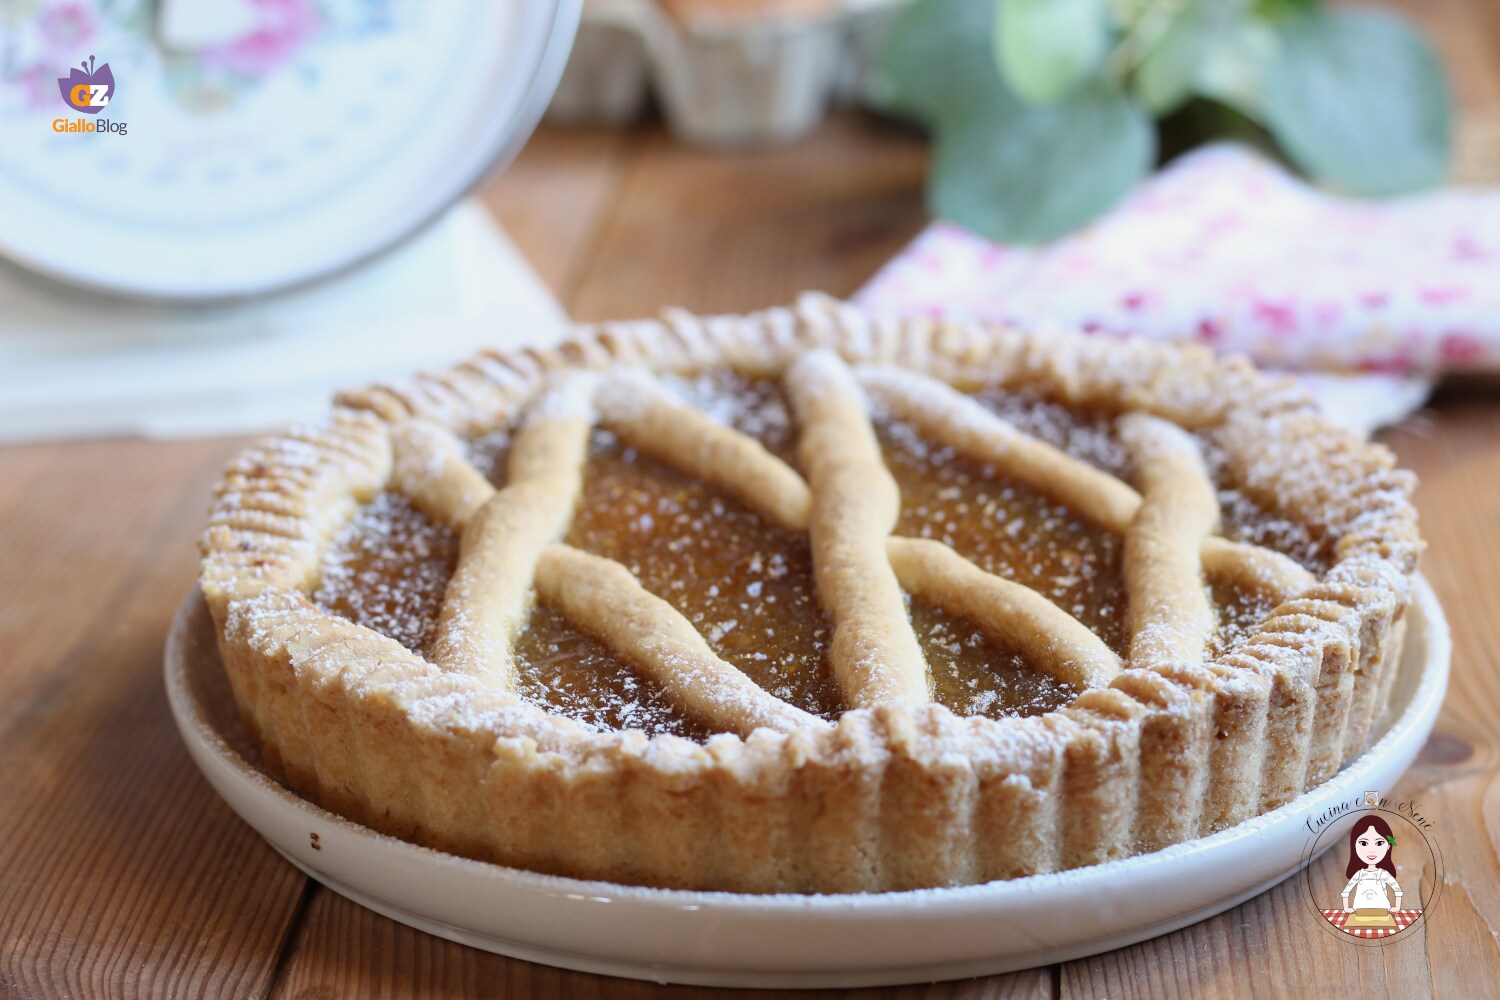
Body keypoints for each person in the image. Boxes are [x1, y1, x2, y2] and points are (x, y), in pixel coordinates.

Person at [1340, 816, 1404, 916]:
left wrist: (1397, 907)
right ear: (1355, 846)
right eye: (1364, 843)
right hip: (1360, 912)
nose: (1371, 850)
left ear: (1388, 846)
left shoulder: (1383, 874)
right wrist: (1347, 908)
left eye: (1379, 843)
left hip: (1382, 912)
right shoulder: (1359, 874)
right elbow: (1346, 891)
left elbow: (1397, 889)